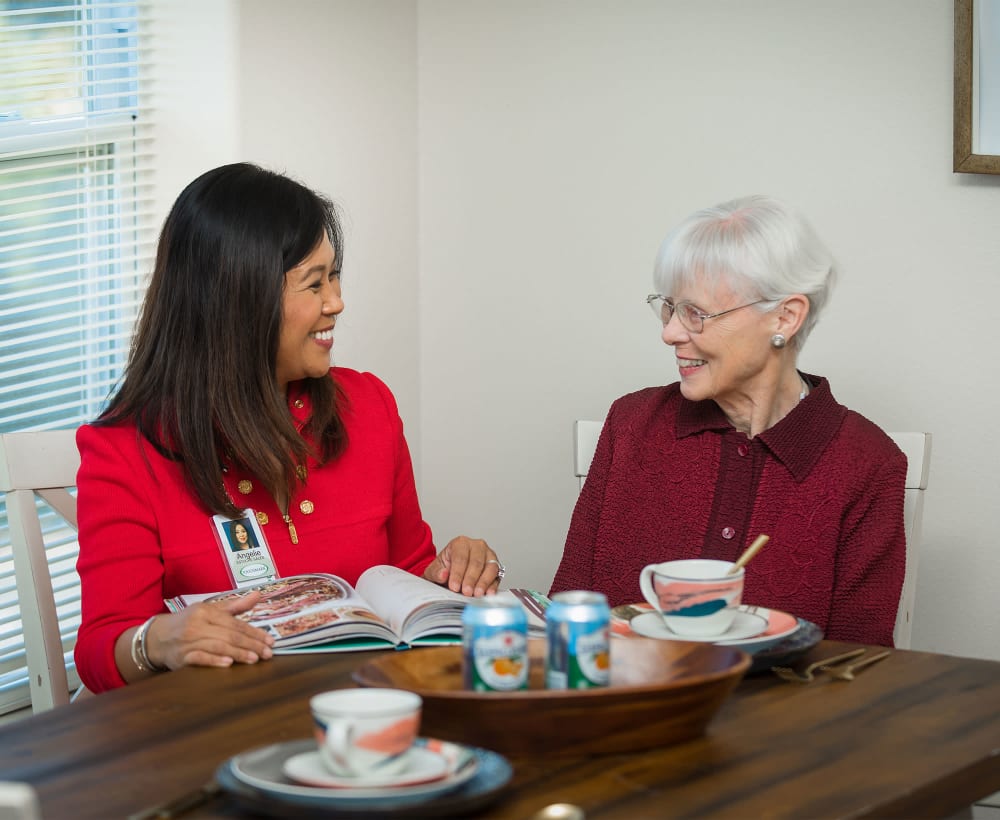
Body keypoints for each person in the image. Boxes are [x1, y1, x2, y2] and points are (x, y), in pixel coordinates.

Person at [75, 162, 505, 693]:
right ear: (239, 299)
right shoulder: (124, 451)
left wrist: (449, 573)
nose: (336, 302)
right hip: (225, 727)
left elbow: (406, 568)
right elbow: (101, 652)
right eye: (314, 284)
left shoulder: (368, 405)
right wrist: (160, 641)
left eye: (335, 275)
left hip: (366, 709)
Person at [549, 195, 905, 646]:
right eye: (670, 307)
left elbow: (856, 666)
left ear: (785, 316)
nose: (670, 333)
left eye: (697, 313)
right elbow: (567, 613)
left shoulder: (868, 464)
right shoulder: (631, 424)